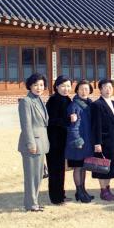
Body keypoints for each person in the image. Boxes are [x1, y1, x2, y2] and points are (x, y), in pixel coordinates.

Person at [18, 73, 49, 212]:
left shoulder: (39, 100)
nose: (39, 87)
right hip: (32, 144)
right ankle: (31, 204)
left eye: (41, 85)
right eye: (35, 85)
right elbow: (26, 125)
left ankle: (34, 201)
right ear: (30, 86)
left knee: (38, 175)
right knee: (31, 176)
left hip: (42, 143)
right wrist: (31, 144)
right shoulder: (26, 101)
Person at [45, 75, 74, 205]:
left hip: (63, 141)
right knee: (55, 170)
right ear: (56, 87)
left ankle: (61, 194)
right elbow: (51, 121)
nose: (66, 88)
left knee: (61, 169)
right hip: (54, 141)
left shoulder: (67, 99)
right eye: (63, 86)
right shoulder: (54, 100)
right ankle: (55, 198)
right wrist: (69, 120)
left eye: (68, 86)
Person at [91, 79, 114, 201]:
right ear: (100, 89)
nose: (108, 89)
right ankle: (103, 191)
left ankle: (108, 189)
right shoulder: (97, 104)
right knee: (102, 167)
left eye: (110, 87)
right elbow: (95, 125)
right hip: (102, 141)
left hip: (113, 140)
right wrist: (97, 142)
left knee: (111, 167)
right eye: (105, 87)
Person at [65, 79, 94, 203]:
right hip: (78, 142)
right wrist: (78, 140)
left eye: (86, 89)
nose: (84, 91)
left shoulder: (89, 103)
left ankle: (83, 190)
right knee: (78, 167)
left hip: (87, 141)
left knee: (83, 167)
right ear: (77, 90)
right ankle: (79, 191)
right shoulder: (74, 105)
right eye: (81, 89)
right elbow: (73, 126)